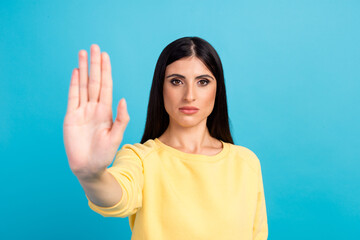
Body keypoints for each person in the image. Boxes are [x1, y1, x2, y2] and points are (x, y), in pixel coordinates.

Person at [63, 36, 268, 240]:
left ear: (218, 90)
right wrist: (91, 175)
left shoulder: (246, 163)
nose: (189, 95)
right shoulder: (140, 159)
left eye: (203, 82)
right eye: (176, 81)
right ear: (161, 88)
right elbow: (117, 196)